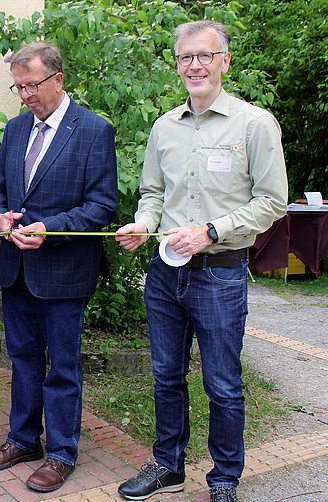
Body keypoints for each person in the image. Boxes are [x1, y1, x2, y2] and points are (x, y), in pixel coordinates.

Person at [115, 20, 288, 502]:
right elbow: (152, 193)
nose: (194, 65)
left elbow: (273, 200)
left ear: (224, 61)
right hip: (165, 275)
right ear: (177, 65)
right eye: (185, 57)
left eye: (204, 56)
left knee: (223, 386)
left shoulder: (253, 124)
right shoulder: (164, 126)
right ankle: (168, 466)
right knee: (166, 376)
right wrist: (144, 224)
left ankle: (224, 479)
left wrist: (211, 231)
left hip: (220, 275)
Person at [0, 41, 118, 492]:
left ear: (58, 78)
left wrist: (49, 228)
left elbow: (102, 207)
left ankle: (61, 453)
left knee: (62, 365)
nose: (24, 95)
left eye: (31, 85)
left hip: (63, 269)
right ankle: (23, 440)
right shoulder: (17, 129)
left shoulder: (94, 130)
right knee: (21, 359)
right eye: (17, 87)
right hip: (16, 267)